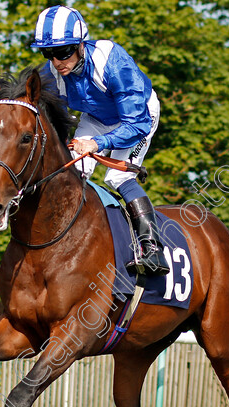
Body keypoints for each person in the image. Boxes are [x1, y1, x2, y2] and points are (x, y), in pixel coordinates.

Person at [31, 5, 170, 276]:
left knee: (116, 179)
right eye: (48, 53)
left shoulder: (112, 62)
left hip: (139, 116)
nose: (57, 61)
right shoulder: (52, 73)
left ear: (81, 45)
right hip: (96, 118)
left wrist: (97, 144)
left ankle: (152, 248)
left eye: (63, 51)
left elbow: (136, 123)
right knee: (71, 172)